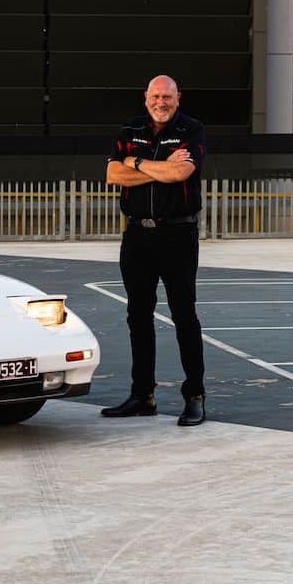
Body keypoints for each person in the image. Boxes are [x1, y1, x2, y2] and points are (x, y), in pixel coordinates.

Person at [102, 75, 207, 426]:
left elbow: (181, 173)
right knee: (138, 316)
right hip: (136, 237)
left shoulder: (191, 129)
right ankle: (142, 395)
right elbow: (112, 175)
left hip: (178, 235)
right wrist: (150, 167)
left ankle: (194, 396)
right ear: (145, 97)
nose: (161, 102)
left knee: (183, 316)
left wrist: (135, 163)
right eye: (155, 96)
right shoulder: (129, 128)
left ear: (178, 98)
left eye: (167, 96)